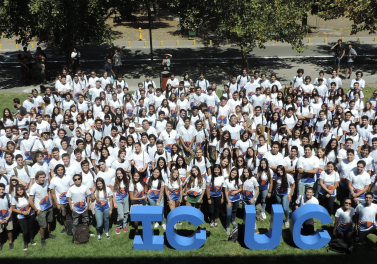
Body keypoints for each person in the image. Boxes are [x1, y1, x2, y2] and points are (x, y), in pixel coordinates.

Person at [29, 171, 56, 247]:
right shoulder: (34, 187)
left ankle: (48, 234)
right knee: (43, 225)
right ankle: (43, 238)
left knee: (49, 221)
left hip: (48, 206)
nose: (42, 179)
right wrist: (36, 209)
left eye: (44, 177)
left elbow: (48, 191)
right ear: (37, 178)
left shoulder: (46, 183)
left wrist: (50, 200)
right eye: (41, 177)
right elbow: (30, 200)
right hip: (40, 209)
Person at [67, 173, 91, 243]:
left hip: (84, 209)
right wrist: (71, 208)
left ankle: (85, 234)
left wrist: (87, 205)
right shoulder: (71, 189)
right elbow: (69, 198)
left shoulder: (85, 187)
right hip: (75, 209)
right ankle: (74, 237)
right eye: (75, 179)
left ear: (81, 179)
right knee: (75, 224)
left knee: (85, 222)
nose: (77, 180)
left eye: (79, 179)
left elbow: (88, 195)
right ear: (74, 181)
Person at [11, 184, 36, 250]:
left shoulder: (27, 195)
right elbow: (13, 209)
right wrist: (22, 212)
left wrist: (29, 210)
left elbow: (31, 203)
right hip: (21, 216)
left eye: (21, 190)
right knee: (25, 231)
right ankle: (25, 243)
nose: (20, 191)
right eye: (18, 190)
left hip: (30, 214)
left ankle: (31, 240)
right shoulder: (15, 199)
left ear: (23, 190)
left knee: (31, 228)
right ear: (16, 191)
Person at [224, 168, 242, 235]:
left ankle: (233, 220)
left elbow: (241, 188)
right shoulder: (226, 181)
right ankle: (228, 226)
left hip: (236, 199)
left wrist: (236, 192)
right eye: (232, 172)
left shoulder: (238, 180)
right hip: (229, 199)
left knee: (234, 210)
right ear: (230, 172)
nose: (233, 174)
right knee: (228, 213)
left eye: (235, 173)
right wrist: (228, 201)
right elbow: (225, 192)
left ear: (237, 174)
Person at [206, 165, 224, 229]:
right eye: (215, 170)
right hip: (211, 196)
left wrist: (222, 197)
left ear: (219, 171)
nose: (216, 171)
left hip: (218, 196)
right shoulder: (209, 177)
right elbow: (207, 188)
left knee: (217, 209)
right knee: (211, 210)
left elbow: (222, 189)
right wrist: (208, 198)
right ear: (213, 170)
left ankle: (215, 220)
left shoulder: (222, 177)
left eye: (218, 170)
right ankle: (211, 220)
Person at [0, 183, 13, 251]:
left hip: (7, 216)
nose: (1, 191)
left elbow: (11, 207)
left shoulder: (8, 196)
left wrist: (8, 216)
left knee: (9, 230)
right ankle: (0, 244)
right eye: (0, 189)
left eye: (3, 189)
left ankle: (10, 242)